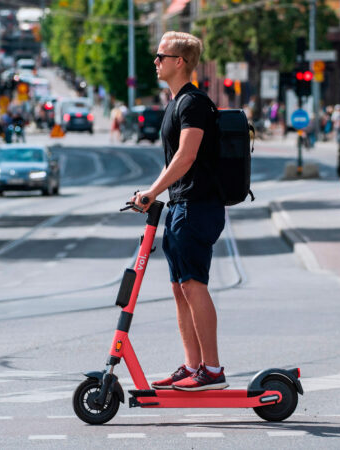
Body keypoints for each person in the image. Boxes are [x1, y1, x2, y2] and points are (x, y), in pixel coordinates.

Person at [130, 31, 228, 392]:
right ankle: (193, 366)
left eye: (161, 56)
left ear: (179, 61)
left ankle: (212, 370)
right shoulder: (175, 103)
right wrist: (157, 195)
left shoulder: (194, 103)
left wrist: (152, 191)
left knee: (193, 285)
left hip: (198, 206)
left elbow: (186, 156)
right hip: (181, 205)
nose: (155, 61)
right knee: (179, 287)